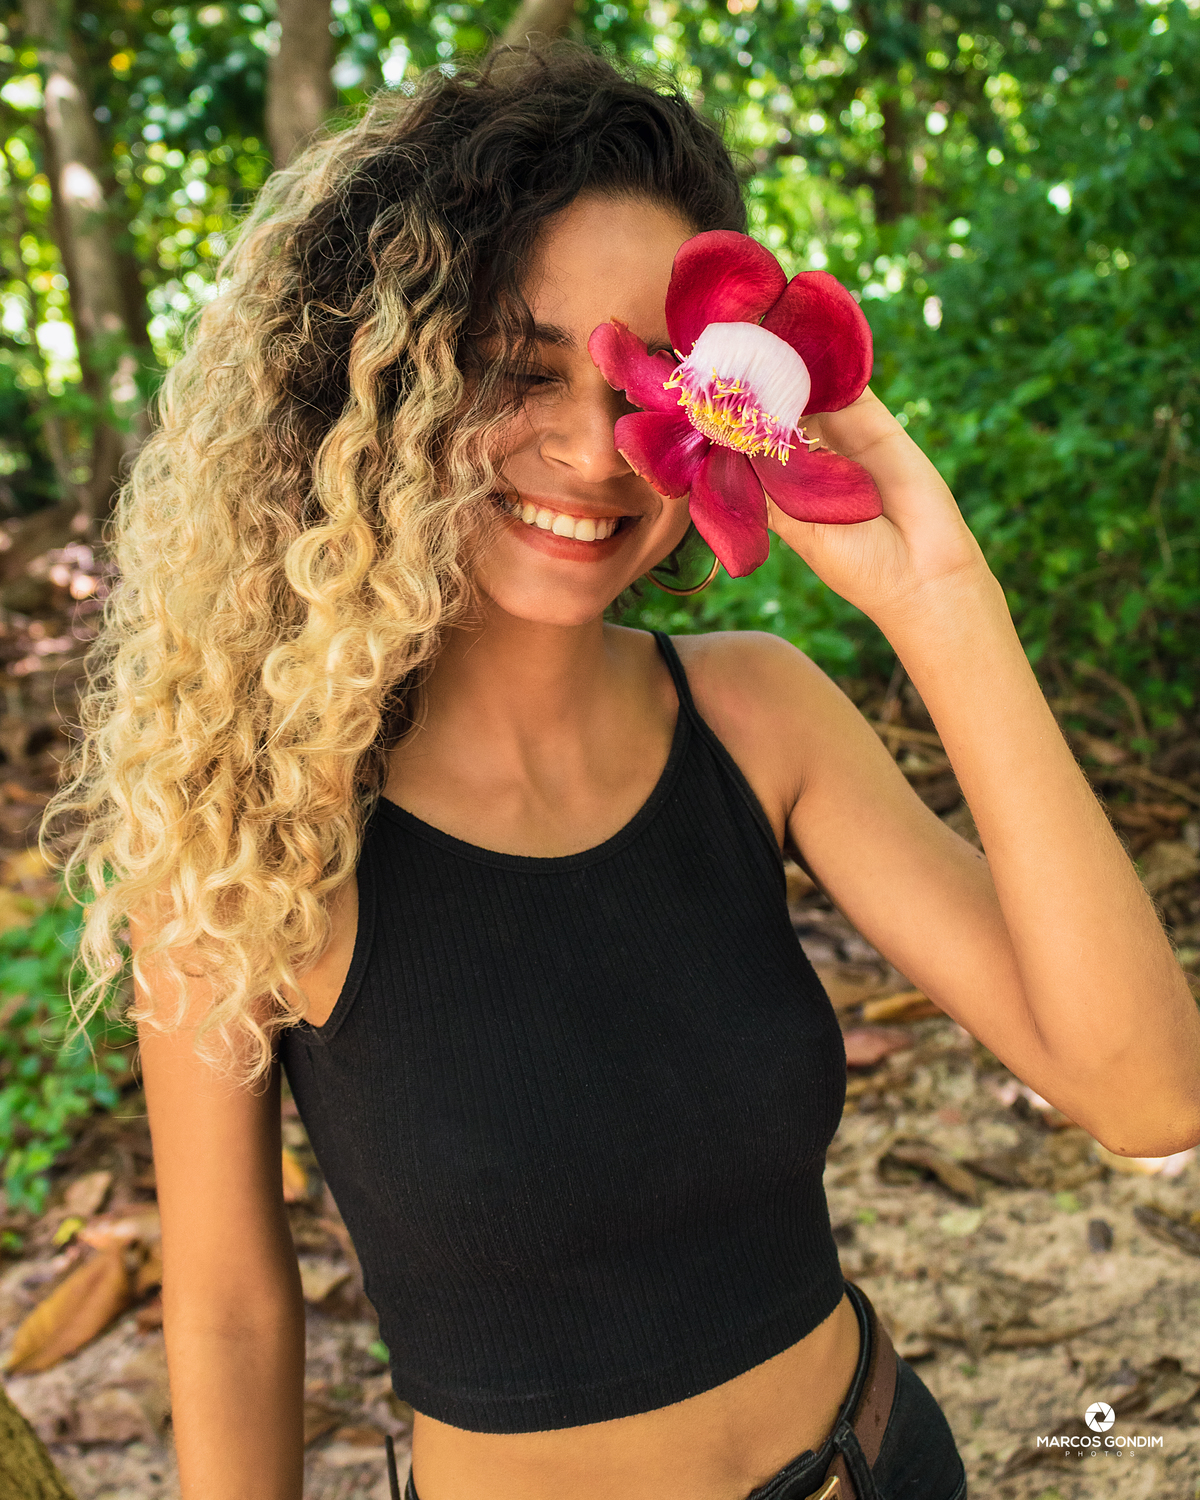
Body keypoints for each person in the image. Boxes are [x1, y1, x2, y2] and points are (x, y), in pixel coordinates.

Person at [44, 43, 1200, 1500]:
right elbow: (226, 1311)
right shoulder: (251, 826)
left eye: (655, 379)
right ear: (381, 386)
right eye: (518, 369)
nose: (598, 452)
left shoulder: (759, 716)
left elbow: (1149, 1095)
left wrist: (942, 601)